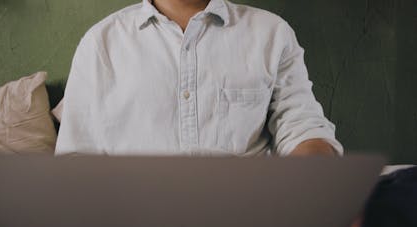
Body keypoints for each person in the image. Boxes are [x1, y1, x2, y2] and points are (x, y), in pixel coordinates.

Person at [55, 0, 343, 157]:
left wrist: (316, 176)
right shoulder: (100, 43)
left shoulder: (271, 33)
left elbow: (301, 125)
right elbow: (76, 158)